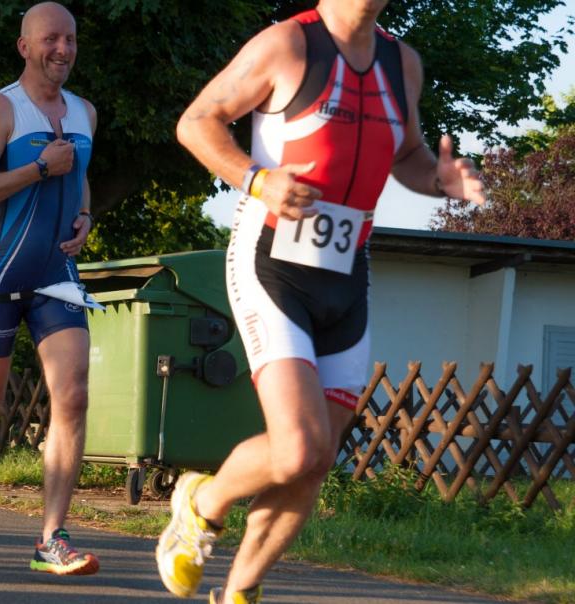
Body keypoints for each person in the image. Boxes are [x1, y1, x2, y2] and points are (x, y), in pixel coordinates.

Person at [157, 1, 485, 603]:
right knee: (297, 446)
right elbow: (197, 121)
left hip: (345, 271)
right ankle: (202, 501)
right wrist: (257, 179)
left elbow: (408, 155)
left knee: (317, 459)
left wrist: (439, 180)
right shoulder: (287, 45)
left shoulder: (402, 64)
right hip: (272, 263)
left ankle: (238, 592)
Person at [0, 1, 99, 576]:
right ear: (25, 46)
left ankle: (51, 537)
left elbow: (80, 177)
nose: (63, 49)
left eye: (70, 39)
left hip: (56, 275)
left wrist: (85, 216)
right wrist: (38, 169)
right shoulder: (1, 110)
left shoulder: (85, 112)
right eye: (51, 39)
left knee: (73, 396)